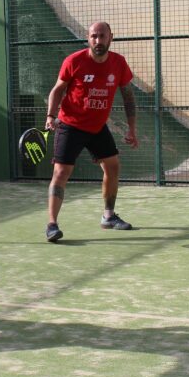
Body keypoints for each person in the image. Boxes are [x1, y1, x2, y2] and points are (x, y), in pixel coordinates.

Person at [44, 21, 138, 242]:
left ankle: (108, 216)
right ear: (88, 38)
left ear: (110, 38)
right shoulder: (74, 61)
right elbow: (57, 90)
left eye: (102, 36)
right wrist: (50, 115)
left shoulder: (119, 63)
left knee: (113, 166)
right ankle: (51, 225)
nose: (98, 40)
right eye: (94, 36)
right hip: (70, 124)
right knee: (61, 173)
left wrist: (132, 129)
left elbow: (128, 97)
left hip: (97, 127)